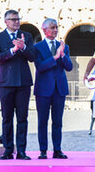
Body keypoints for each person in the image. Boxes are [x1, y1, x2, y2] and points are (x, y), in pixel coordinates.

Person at [0, 10, 36, 160]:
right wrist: (13, 50)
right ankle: (8, 150)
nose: (16, 22)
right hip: (5, 83)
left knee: (22, 118)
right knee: (7, 118)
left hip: (23, 83)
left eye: (18, 19)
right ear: (5, 21)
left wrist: (23, 47)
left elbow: (32, 57)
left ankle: (22, 151)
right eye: (13, 19)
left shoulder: (26, 36)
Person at [33, 18, 73, 159]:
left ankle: (57, 150)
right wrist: (55, 57)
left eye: (56, 27)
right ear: (44, 30)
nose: (55, 30)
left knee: (57, 122)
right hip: (43, 90)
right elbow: (40, 66)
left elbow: (69, 67)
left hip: (59, 89)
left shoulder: (63, 46)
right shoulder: (37, 47)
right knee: (42, 121)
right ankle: (43, 150)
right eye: (52, 27)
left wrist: (62, 55)